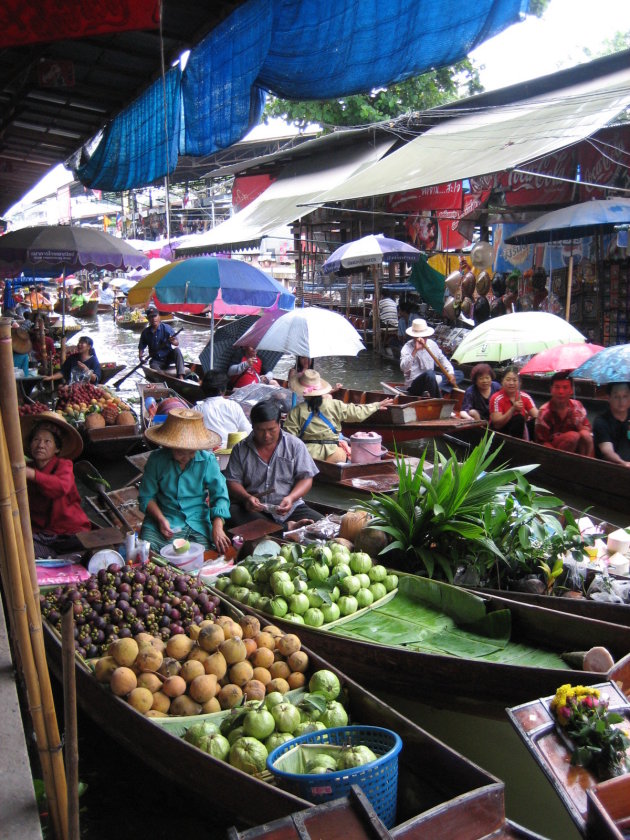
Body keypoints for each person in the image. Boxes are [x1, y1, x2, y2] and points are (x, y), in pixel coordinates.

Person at [138, 408, 232, 553]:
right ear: (169, 445)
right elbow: (146, 496)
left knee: (205, 556)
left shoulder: (207, 461)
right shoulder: (157, 460)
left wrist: (218, 527)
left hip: (197, 522)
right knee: (146, 550)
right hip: (164, 519)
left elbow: (220, 496)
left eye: (192, 452)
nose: (186, 457)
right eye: (180, 452)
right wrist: (161, 519)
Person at [225, 400, 322, 531]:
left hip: (290, 508)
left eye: (271, 430)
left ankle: (276, 530)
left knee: (323, 524)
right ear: (252, 426)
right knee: (231, 512)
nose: (266, 435)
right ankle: (286, 528)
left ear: (279, 424)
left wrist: (291, 498)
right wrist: (246, 497)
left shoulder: (295, 445)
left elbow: (306, 479)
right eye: (260, 430)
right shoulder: (240, 449)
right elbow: (232, 481)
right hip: (255, 510)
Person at [21, 412, 92, 558]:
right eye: (36, 440)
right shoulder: (26, 468)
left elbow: (61, 487)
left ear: (57, 449)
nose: (40, 445)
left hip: (69, 534)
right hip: (42, 536)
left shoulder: (64, 465)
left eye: (47, 442)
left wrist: (32, 475)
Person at [284, 370, 393, 463]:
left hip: (309, 456)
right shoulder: (335, 404)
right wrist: (376, 405)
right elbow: (357, 413)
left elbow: (289, 439)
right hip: (335, 455)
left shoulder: (296, 411)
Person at [534, 373, 594, 456]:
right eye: (557, 387)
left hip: (577, 450)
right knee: (573, 437)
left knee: (585, 435)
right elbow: (541, 442)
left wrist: (580, 426)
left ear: (571, 390)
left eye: (565, 387)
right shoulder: (544, 412)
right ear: (551, 389)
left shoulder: (578, 406)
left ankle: (588, 463)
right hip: (552, 451)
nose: (561, 392)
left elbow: (587, 428)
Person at [400, 318, 458, 398]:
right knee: (430, 374)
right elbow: (404, 368)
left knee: (459, 374)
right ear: (413, 336)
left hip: (431, 380)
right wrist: (415, 350)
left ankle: (439, 389)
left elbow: (442, 359)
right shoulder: (407, 347)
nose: (422, 339)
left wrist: (451, 373)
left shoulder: (432, 344)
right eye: (418, 336)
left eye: (424, 336)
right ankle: (438, 399)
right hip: (414, 385)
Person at [193, 370, 252, 449]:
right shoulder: (234, 406)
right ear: (223, 390)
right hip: (230, 455)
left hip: (205, 455)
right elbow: (247, 432)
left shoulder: (196, 410)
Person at [489, 367, 538, 439]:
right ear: (502, 381)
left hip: (520, 430)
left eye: (515, 380)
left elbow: (537, 416)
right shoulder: (496, 398)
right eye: (508, 380)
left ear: (520, 383)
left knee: (536, 422)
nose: (511, 383)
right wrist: (513, 409)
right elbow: (497, 425)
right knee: (519, 418)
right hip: (500, 433)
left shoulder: (525, 396)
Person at [138, 305, 185, 377]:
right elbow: (141, 347)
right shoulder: (145, 332)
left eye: (155, 316)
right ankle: (163, 377)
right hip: (156, 360)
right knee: (154, 366)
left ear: (159, 317)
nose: (153, 319)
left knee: (177, 351)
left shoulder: (167, 328)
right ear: (148, 319)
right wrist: (141, 357)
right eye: (151, 317)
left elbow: (176, 343)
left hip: (168, 357)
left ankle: (181, 376)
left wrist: (173, 341)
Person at [593, 382, 630, 466]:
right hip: (612, 468)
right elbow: (608, 451)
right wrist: (623, 463)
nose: (621, 401)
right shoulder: (601, 421)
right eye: (616, 397)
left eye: (625, 396)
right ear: (608, 398)